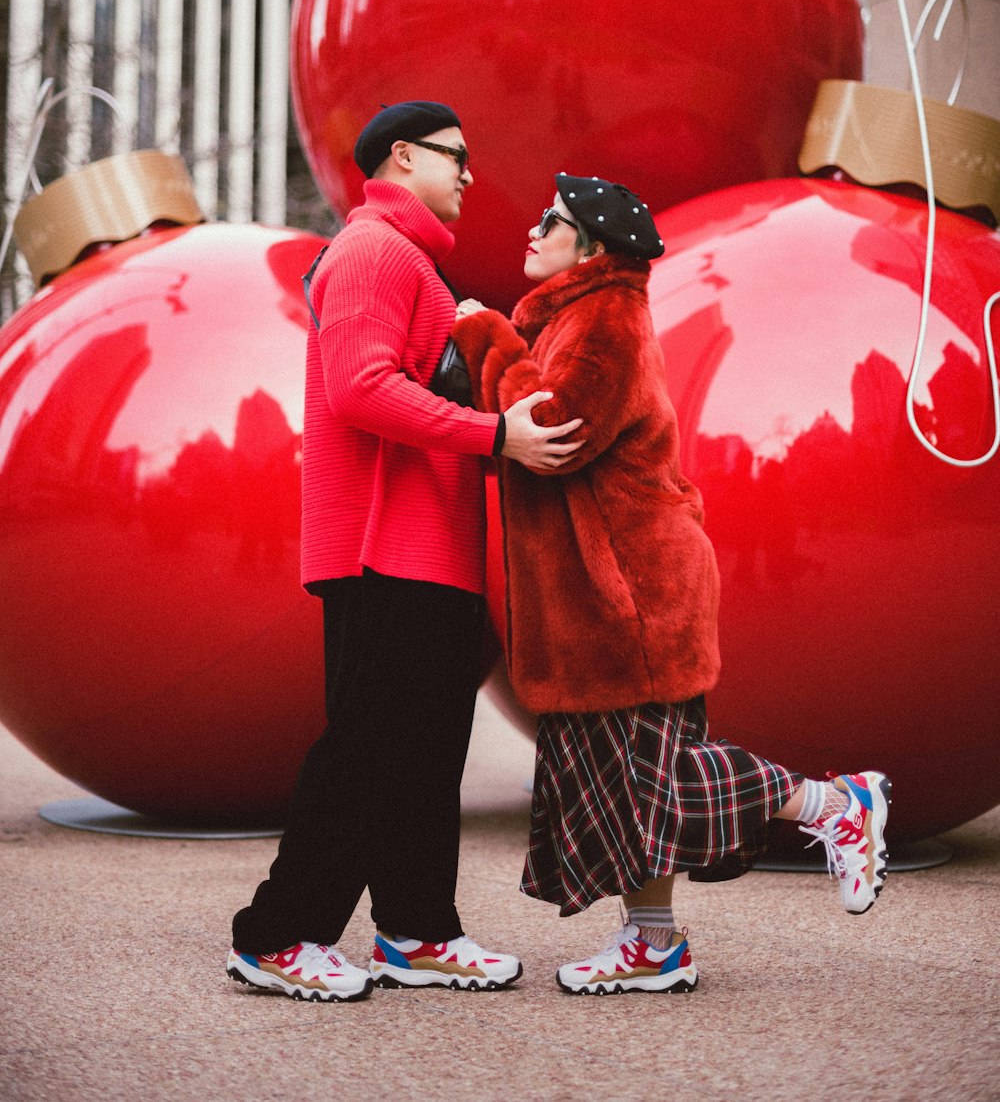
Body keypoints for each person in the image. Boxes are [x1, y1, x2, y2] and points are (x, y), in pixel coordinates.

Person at [450, 172, 891, 997]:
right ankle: (653, 945)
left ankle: (836, 804)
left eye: (554, 220)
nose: (535, 228)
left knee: (653, 779)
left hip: (631, 592)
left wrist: (486, 339)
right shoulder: (566, 316)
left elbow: (556, 429)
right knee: (621, 780)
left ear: (593, 248)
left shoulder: (605, 315)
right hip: (595, 595)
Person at [226, 103, 583, 1002]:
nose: (469, 173)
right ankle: (276, 936)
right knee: (368, 750)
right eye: (455, 156)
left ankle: (418, 933)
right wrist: (495, 434)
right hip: (383, 550)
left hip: (428, 552)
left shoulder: (410, 260)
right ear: (401, 156)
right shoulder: (373, 251)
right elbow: (359, 390)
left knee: (424, 757)